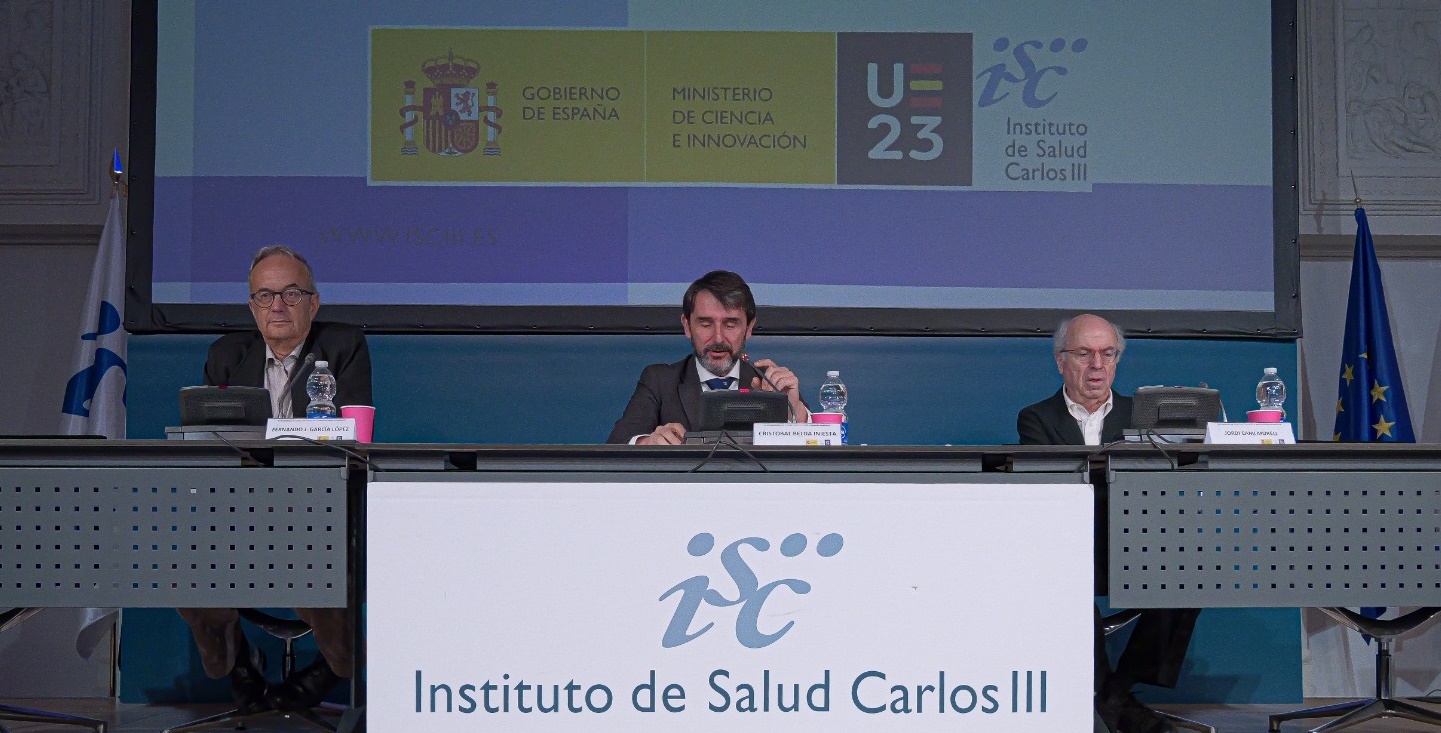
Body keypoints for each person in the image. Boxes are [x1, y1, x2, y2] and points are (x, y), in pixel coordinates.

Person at [180, 244, 370, 713]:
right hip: (239, 507)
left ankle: (335, 668)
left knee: (325, 568)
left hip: (318, 507)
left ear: (314, 302)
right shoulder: (227, 355)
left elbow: (355, 438)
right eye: (265, 296)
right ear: (252, 306)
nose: (278, 306)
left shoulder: (341, 347)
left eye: (291, 293)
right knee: (184, 559)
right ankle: (234, 660)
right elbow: (208, 445)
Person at [1016, 314, 1198, 733]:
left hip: (1137, 543)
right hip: (1070, 547)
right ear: (1061, 361)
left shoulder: (1144, 416)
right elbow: (1052, 490)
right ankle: (1115, 701)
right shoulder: (1036, 418)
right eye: (1084, 353)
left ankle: (1115, 694)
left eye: (1107, 354)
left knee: (1190, 573)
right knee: (1066, 578)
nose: (1097, 365)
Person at [608, 270, 808, 444]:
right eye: (705, 324)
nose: (718, 338)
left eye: (730, 324)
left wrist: (794, 411)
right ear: (687, 326)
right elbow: (619, 442)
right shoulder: (660, 380)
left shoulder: (769, 382)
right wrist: (647, 443)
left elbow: (817, 452)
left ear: (749, 328)